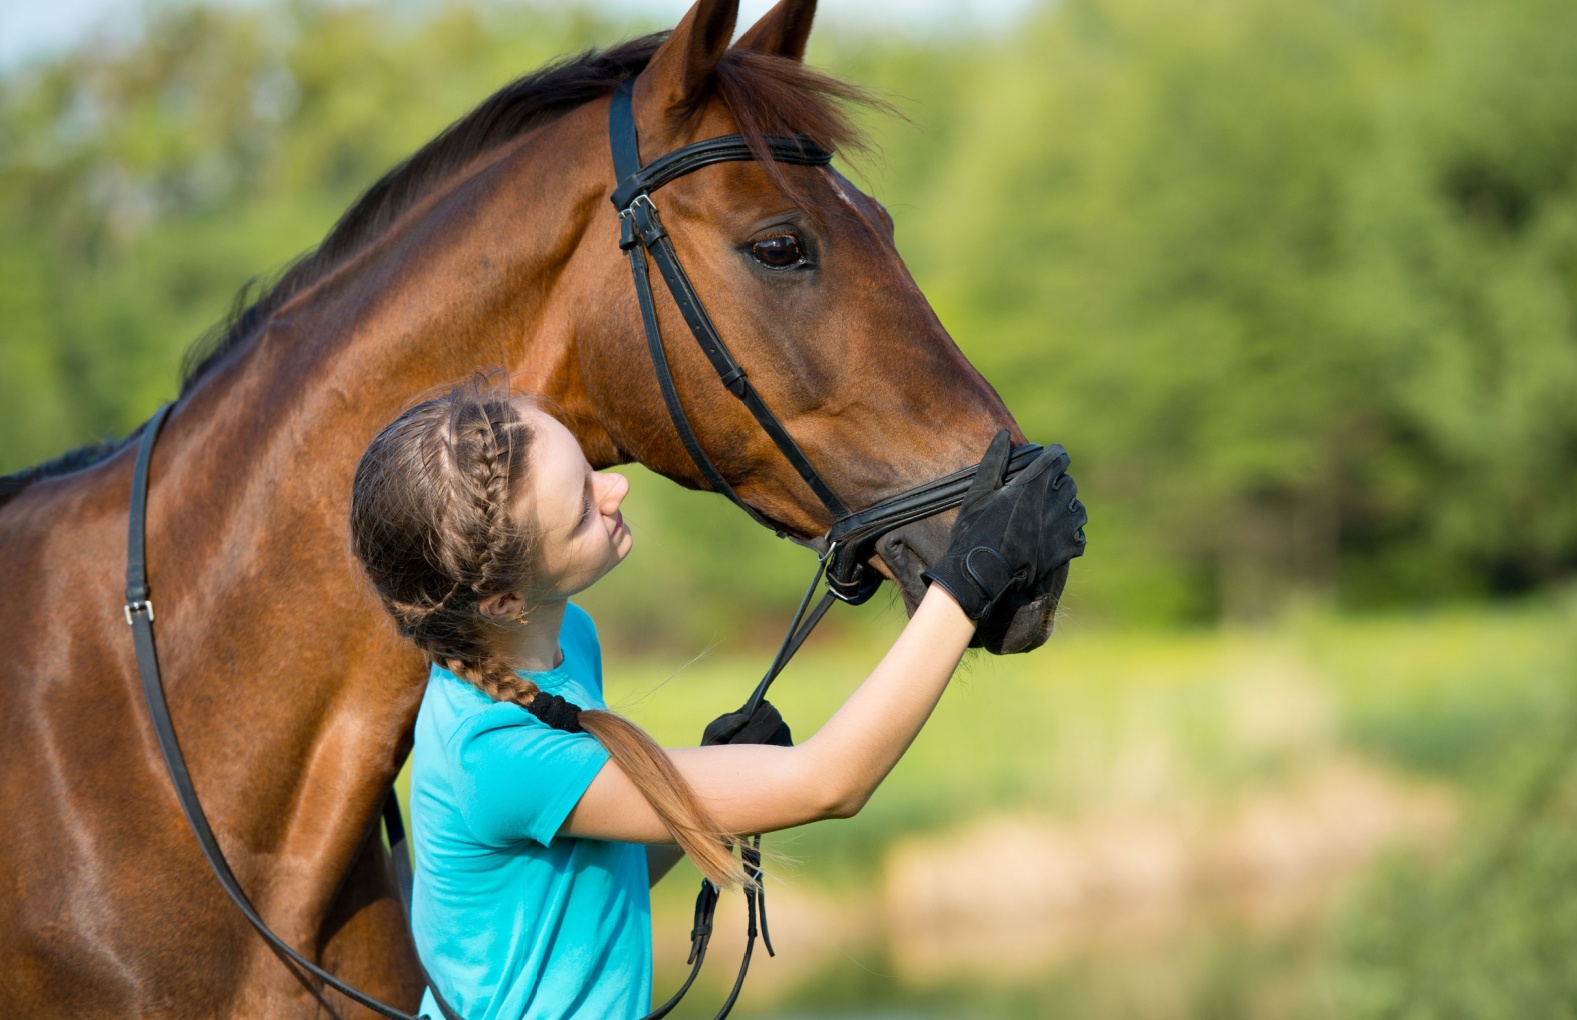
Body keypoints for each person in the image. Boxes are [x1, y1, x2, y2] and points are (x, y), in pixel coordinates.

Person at [348, 375, 1086, 1020]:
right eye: (579, 510)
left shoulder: (564, 639)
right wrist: (969, 580)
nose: (616, 489)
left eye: (588, 467)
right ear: (505, 600)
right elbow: (832, 782)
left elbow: (598, 875)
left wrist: (711, 782)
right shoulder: (496, 754)